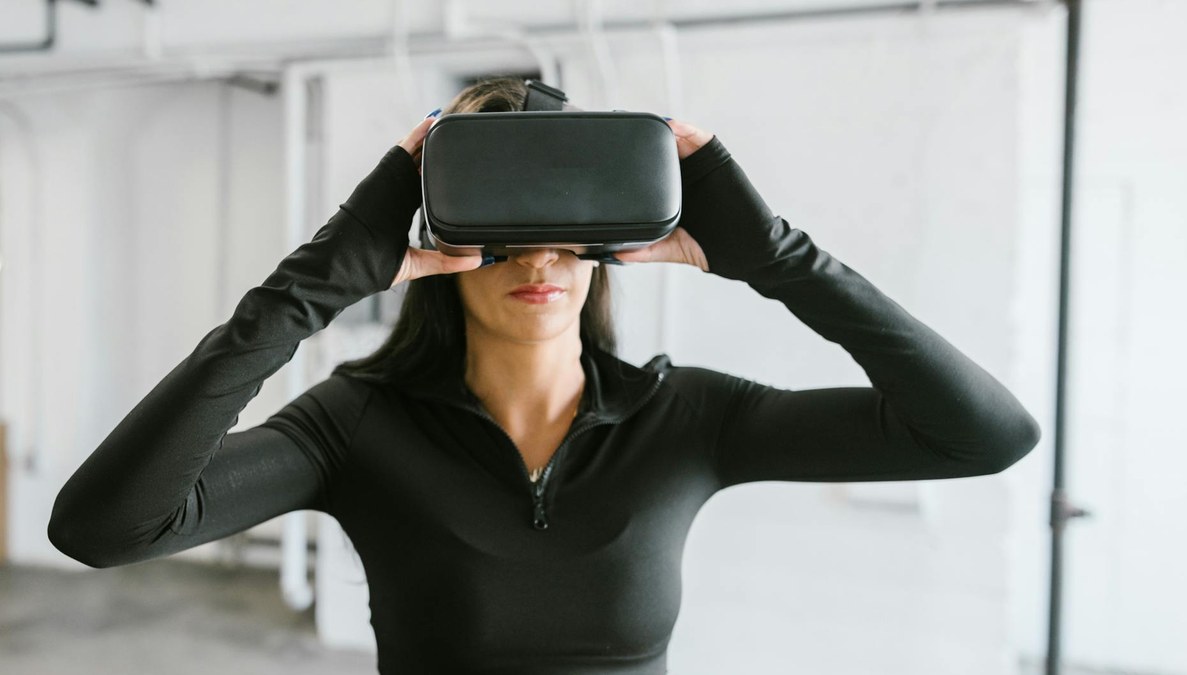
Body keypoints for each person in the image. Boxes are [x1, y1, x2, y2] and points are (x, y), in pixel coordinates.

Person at [47, 76, 1040, 674]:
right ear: (443, 241)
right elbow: (102, 527)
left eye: (569, 229)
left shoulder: (685, 414)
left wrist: (780, 257)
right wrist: (308, 290)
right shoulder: (355, 425)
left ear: (606, 241)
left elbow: (983, 436)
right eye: (505, 228)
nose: (540, 259)